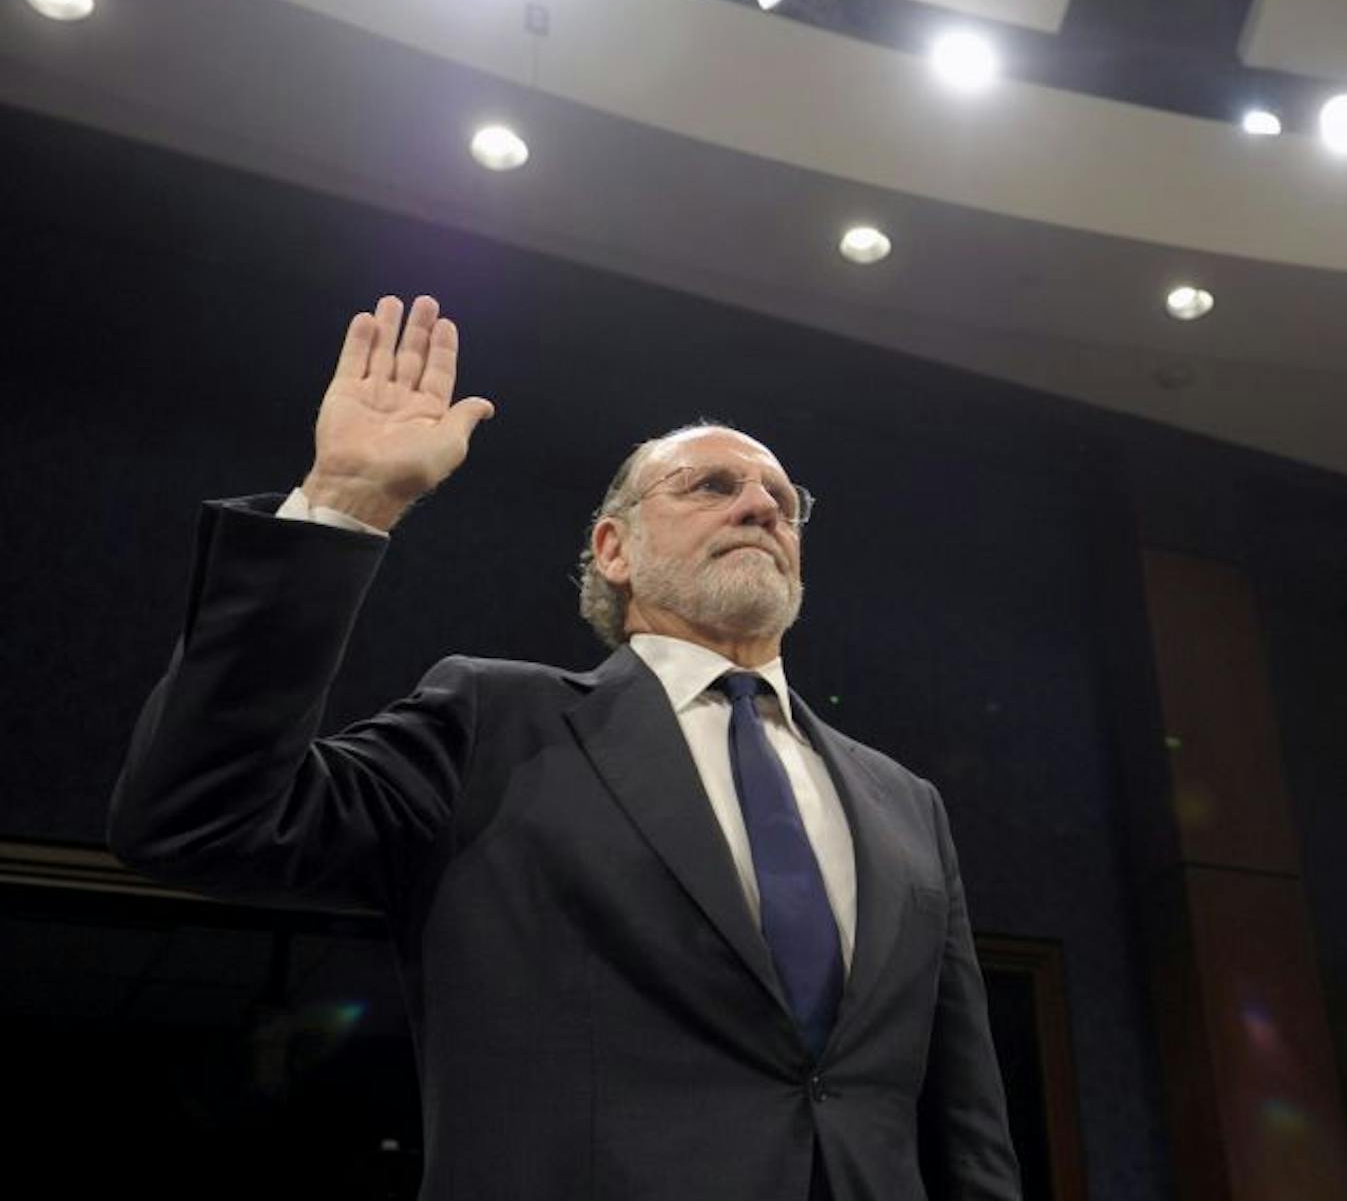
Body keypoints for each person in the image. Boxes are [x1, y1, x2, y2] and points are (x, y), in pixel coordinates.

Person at [110, 295, 1021, 1200]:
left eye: (784, 502)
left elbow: (965, 1123)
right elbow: (198, 819)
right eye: (712, 487)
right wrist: (347, 503)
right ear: (613, 549)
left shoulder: (907, 803)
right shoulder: (495, 723)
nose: (760, 506)